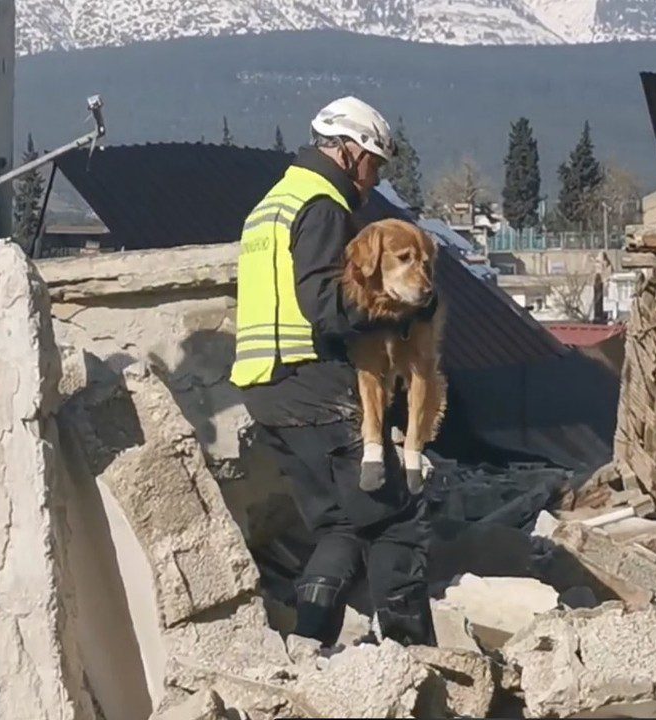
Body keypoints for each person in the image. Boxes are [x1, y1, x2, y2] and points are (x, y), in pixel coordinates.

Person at [230, 96, 437, 648]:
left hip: (265, 389)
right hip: (311, 384)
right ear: (349, 152)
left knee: (339, 525)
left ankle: (309, 647)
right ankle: (414, 660)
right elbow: (325, 302)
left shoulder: (272, 202)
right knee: (396, 516)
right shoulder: (321, 205)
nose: (375, 178)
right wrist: (406, 308)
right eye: (374, 163)